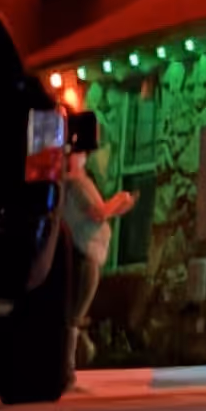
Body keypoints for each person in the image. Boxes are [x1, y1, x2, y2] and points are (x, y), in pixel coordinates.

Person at [55, 115, 133, 382]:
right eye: (82, 153)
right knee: (74, 314)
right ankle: (65, 369)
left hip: (84, 251)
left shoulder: (73, 181)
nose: (85, 158)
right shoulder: (75, 182)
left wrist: (117, 207)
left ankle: (65, 367)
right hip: (83, 253)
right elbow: (96, 212)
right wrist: (118, 200)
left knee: (73, 314)